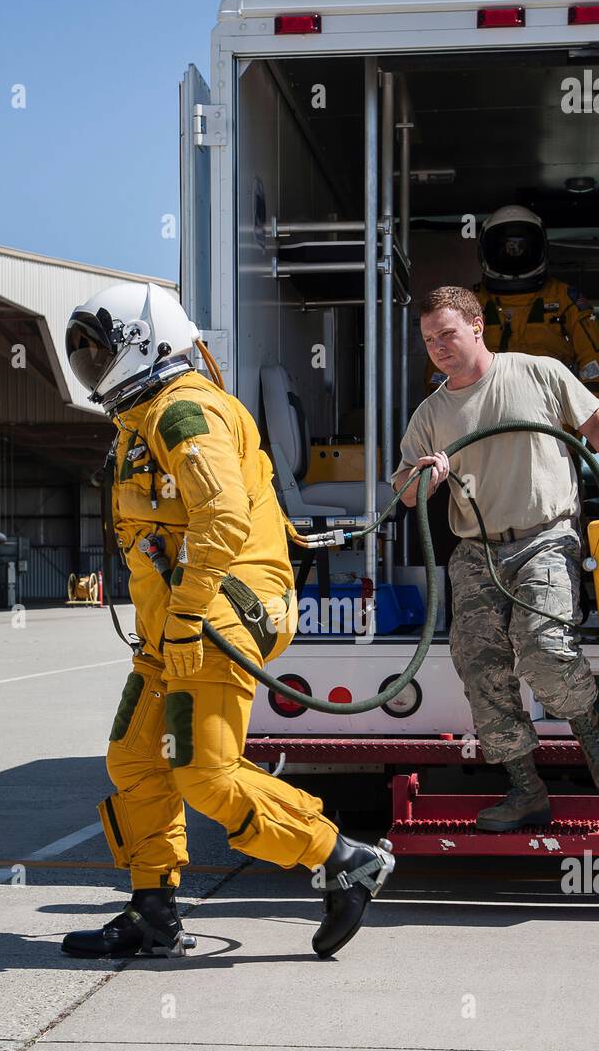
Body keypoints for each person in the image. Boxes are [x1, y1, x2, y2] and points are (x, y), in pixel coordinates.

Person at [60, 282, 393, 960]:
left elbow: (221, 517)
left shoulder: (185, 411)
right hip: (179, 620)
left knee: (205, 774)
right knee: (134, 757)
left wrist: (185, 618)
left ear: (143, 345)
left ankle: (341, 857)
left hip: (221, 611)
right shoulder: (143, 417)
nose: (93, 369)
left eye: (98, 354)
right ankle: (153, 909)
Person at [395, 286, 599, 832]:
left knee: (544, 652)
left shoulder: (537, 372)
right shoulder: (432, 412)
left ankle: (588, 725)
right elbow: (406, 490)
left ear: (476, 328)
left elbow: (596, 423)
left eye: (447, 333)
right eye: (428, 340)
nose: (439, 347)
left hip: (546, 536)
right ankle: (525, 790)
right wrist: (422, 477)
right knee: (480, 668)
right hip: (476, 553)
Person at [425, 206, 599, 406]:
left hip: (552, 424)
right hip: (481, 421)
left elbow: (595, 365)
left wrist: (589, 424)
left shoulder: (565, 300)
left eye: (522, 246)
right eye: (504, 247)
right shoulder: (468, 304)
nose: (513, 252)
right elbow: (441, 365)